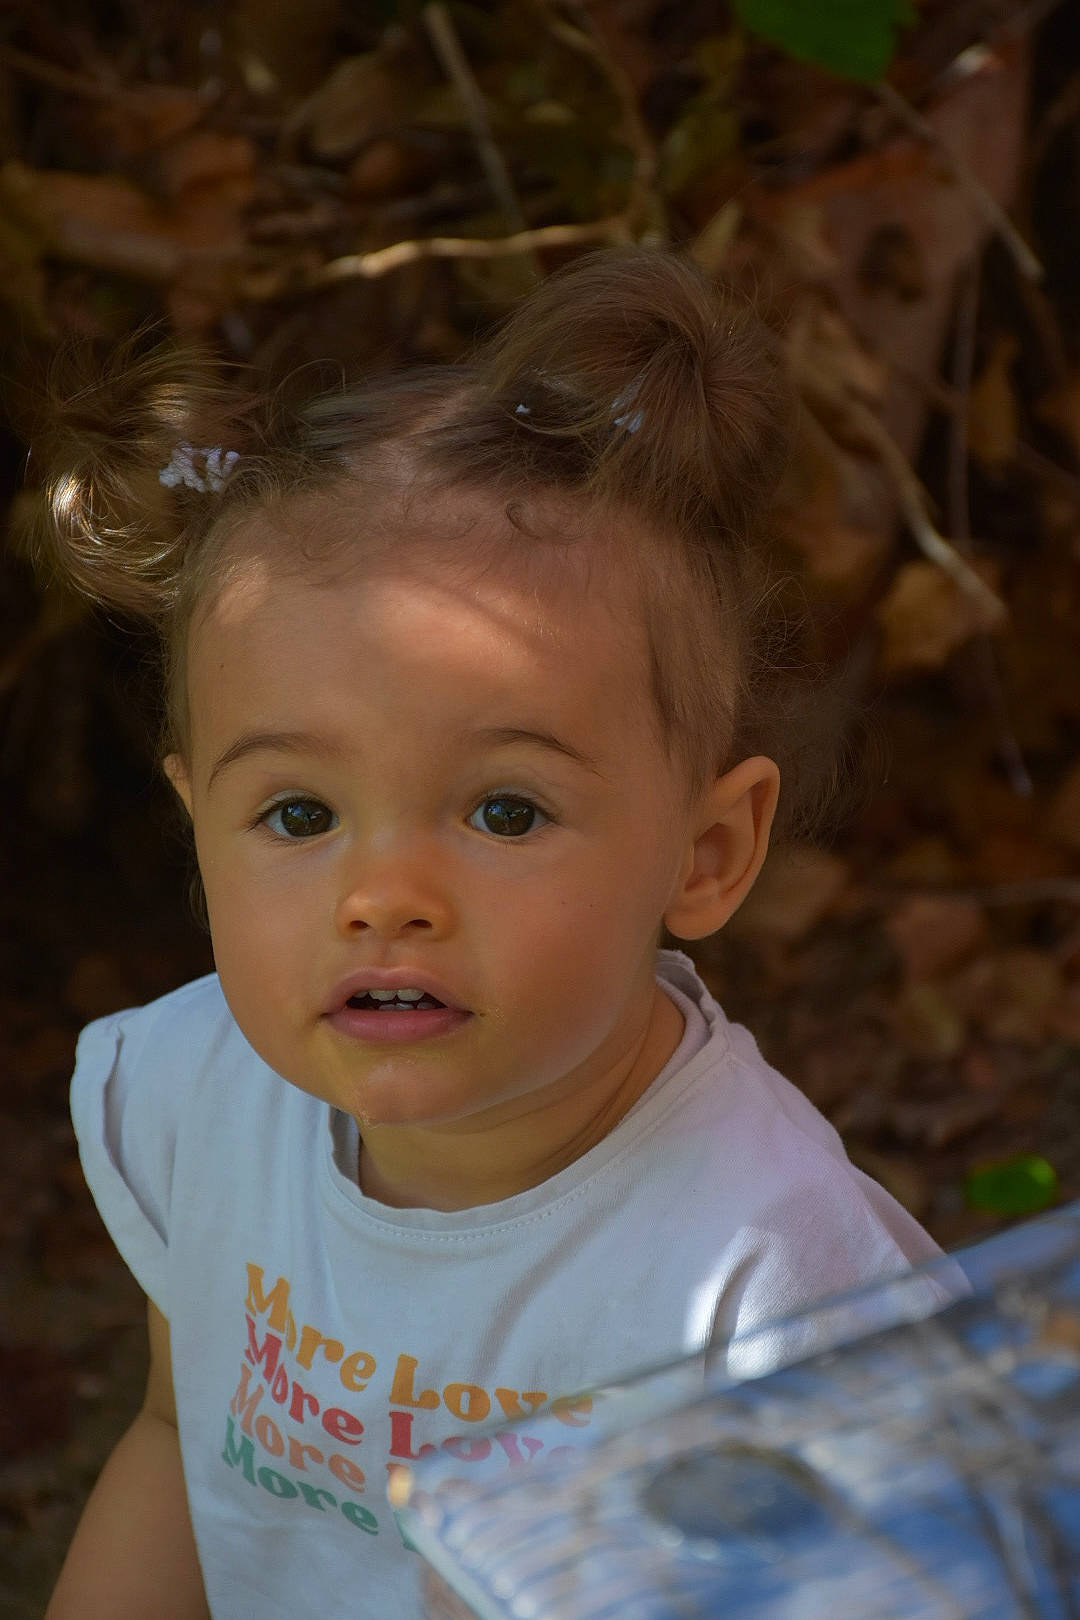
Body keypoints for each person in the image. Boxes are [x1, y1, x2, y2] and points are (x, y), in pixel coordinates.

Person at [32, 248, 947, 1620]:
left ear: (705, 855)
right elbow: (180, 1443)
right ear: (193, 821)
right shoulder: (198, 1098)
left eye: (506, 810)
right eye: (296, 814)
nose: (384, 892)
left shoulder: (767, 1281)